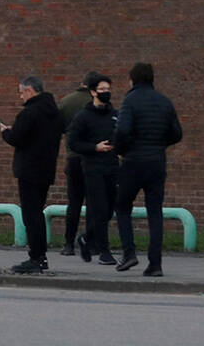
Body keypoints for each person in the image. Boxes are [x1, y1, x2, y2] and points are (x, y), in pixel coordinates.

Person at [113, 61, 182, 276]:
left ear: (132, 79)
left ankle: (129, 253)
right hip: (156, 163)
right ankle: (155, 264)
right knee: (155, 212)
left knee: (122, 206)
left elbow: (122, 130)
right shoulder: (164, 102)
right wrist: (159, 144)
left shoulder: (129, 101)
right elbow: (177, 133)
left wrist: (121, 149)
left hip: (133, 162)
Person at [0, 75, 63, 274]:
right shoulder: (54, 113)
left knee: (31, 215)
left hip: (28, 170)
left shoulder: (29, 113)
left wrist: (5, 132)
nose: (20, 97)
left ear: (29, 91)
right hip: (46, 170)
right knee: (38, 213)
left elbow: (17, 138)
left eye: (21, 92)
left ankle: (36, 257)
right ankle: (40, 257)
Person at [66, 72, 119, 265]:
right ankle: (104, 252)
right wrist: (94, 148)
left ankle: (86, 238)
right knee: (99, 208)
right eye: (102, 89)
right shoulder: (84, 116)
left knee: (109, 209)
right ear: (93, 92)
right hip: (92, 168)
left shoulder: (115, 114)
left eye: (108, 89)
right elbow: (73, 142)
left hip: (112, 167)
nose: (106, 92)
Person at [56, 73, 93, 256]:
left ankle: (69, 244)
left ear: (82, 83)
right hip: (93, 158)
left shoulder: (67, 101)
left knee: (74, 203)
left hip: (73, 158)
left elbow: (58, 126)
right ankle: (92, 242)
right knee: (94, 202)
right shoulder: (97, 103)